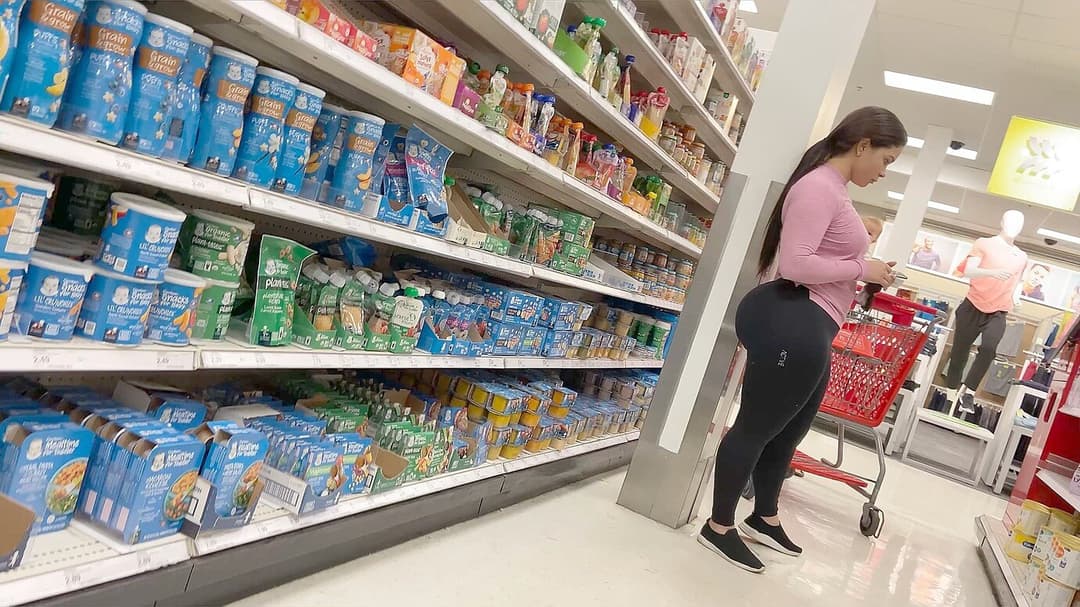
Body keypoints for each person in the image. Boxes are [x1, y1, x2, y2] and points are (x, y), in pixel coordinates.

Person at [697, 106, 905, 573]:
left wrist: (863, 274)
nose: (884, 171)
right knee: (756, 426)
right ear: (863, 144)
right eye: (886, 159)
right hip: (791, 316)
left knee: (790, 430)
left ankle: (763, 516)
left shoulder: (834, 191)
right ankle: (719, 526)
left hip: (811, 322)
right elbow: (795, 263)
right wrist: (861, 269)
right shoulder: (818, 187)